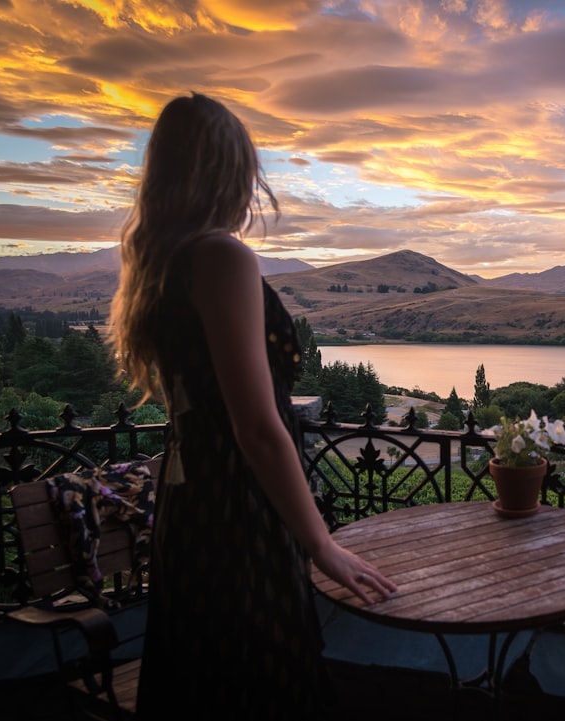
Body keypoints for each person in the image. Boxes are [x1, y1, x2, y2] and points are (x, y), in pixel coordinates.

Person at [109, 92, 396, 718]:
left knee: (202, 682)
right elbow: (257, 427)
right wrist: (321, 544)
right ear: (222, 170)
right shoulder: (221, 257)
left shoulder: (161, 268)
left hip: (192, 509)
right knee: (259, 679)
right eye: (246, 170)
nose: (253, 189)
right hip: (240, 510)